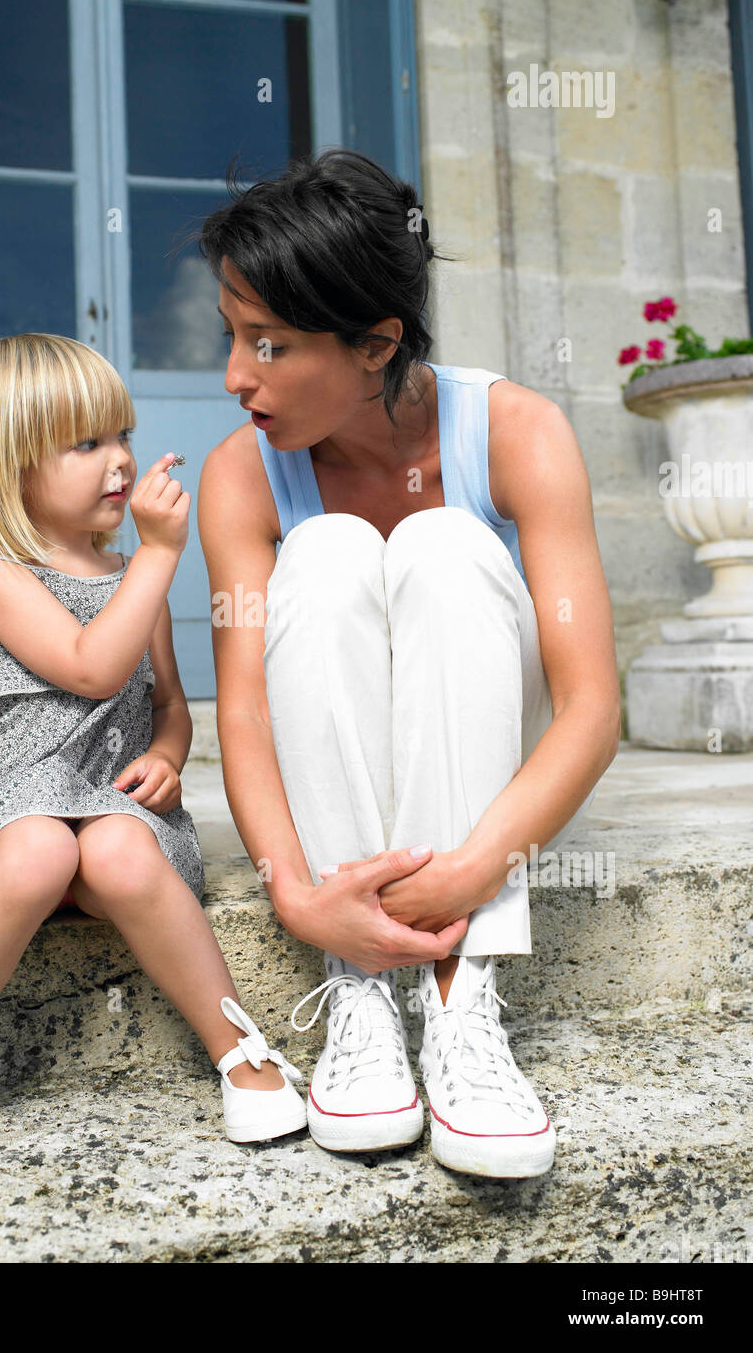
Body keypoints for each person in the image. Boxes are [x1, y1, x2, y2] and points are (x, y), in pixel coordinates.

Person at [196, 150, 621, 1179]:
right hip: (336, 806)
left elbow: (592, 706)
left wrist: (483, 868)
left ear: (376, 342)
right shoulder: (240, 474)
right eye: (233, 336)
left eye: (272, 344)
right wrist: (294, 894)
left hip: (475, 730)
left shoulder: (518, 430)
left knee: (443, 543)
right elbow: (246, 715)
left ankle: (458, 994)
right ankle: (359, 985)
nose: (234, 376)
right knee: (331, 548)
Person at [0, 334, 306, 1195]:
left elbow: (167, 704)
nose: (122, 461)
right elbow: (93, 666)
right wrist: (166, 556)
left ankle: (239, 1049)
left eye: (122, 435)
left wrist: (168, 756)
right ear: (11, 467)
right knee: (40, 847)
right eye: (86, 444)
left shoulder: (136, 580)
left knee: (110, 848)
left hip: (111, 817)